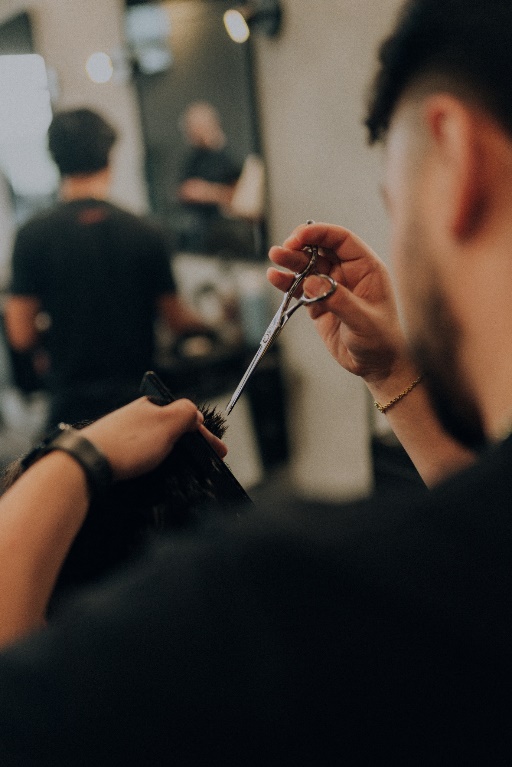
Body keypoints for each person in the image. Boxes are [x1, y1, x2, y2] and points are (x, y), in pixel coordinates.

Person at [1, 0, 512, 763]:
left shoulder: (271, 606)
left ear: (455, 153)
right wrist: (395, 369)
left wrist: (73, 461)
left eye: (394, 206)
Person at [3, 108, 208, 428]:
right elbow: (177, 319)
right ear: (109, 157)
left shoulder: (33, 236)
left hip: (72, 408)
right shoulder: (146, 231)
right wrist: (212, 323)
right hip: (138, 402)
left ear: (56, 160)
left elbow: (20, 334)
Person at [176, 101, 242, 253]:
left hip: (225, 231)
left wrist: (207, 192)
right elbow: (183, 189)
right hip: (199, 231)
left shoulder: (229, 157)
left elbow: (240, 197)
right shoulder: (193, 158)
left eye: (194, 127)